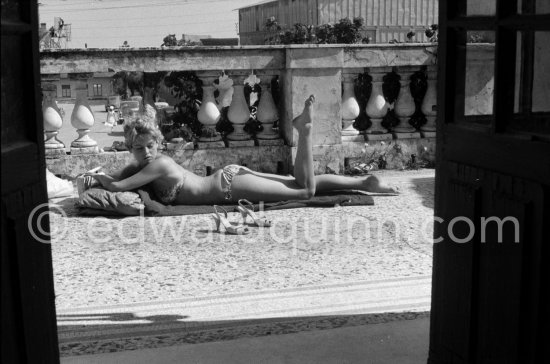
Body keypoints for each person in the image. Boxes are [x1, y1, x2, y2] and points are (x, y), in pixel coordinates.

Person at [88, 95, 397, 207]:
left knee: (303, 191)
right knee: (295, 184)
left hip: (229, 187)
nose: (145, 152)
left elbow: (116, 185)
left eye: (150, 145)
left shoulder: (158, 165)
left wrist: (93, 178)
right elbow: (122, 178)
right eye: (138, 149)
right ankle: (363, 183)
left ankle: (304, 130)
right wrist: (102, 178)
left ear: (159, 144)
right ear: (130, 148)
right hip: (229, 182)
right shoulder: (146, 167)